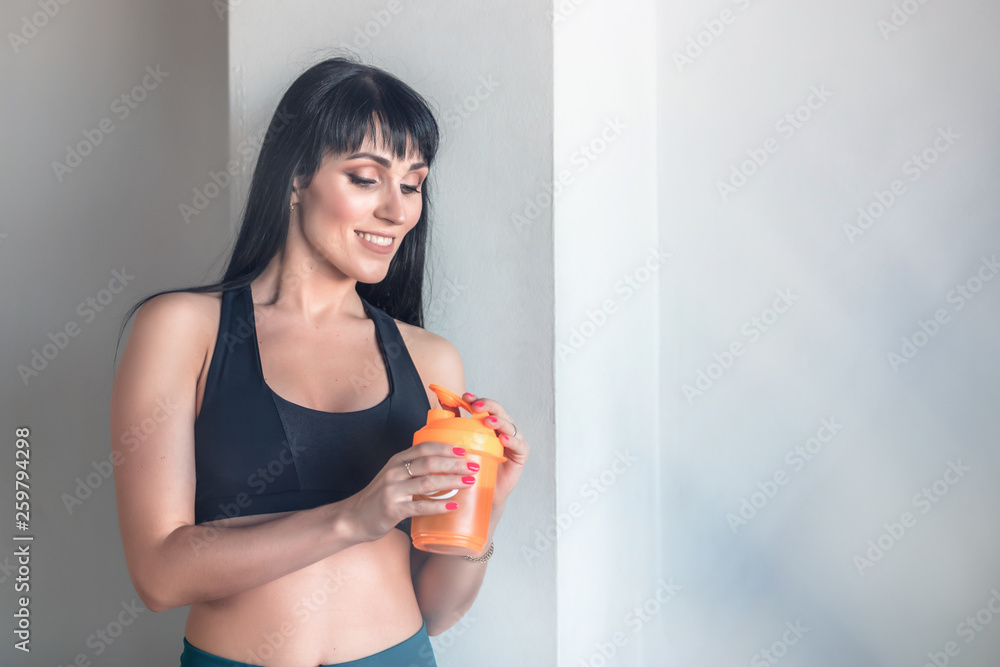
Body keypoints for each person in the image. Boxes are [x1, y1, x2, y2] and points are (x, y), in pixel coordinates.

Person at [109, 56, 528, 667]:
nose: (398, 210)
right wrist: (354, 517)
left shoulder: (429, 359)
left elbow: (436, 611)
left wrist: (488, 507)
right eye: (367, 178)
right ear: (296, 176)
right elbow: (159, 576)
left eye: (412, 184)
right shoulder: (182, 329)